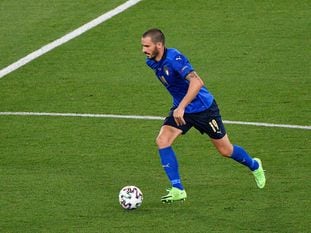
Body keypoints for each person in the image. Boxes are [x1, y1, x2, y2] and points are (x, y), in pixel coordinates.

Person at [141, 28, 266, 203]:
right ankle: (178, 189)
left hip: (203, 109)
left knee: (225, 150)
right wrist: (180, 106)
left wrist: (182, 106)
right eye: (143, 46)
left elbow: (197, 82)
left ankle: (255, 165)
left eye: (147, 46)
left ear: (159, 45)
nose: (143, 50)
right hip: (182, 110)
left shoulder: (174, 58)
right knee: (163, 140)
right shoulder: (152, 62)